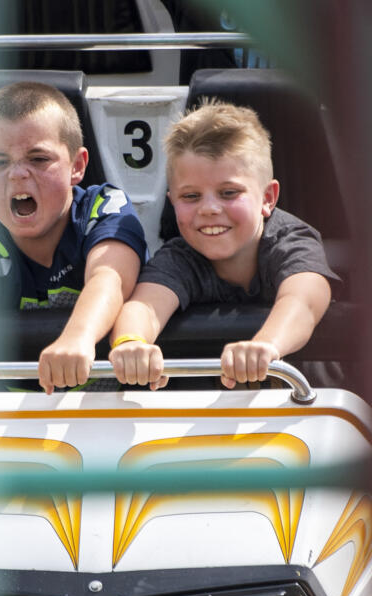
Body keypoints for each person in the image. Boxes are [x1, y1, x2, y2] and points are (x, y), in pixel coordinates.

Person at [0, 82, 146, 393]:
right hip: (21, 418)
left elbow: (108, 278)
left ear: (78, 166)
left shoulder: (104, 208)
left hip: (111, 405)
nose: (17, 173)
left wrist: (77, 337)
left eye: (39, 159)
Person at [108, 101, 339, 390]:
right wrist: (132, 343)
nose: (209, 208)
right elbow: (144, 307)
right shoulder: (180, 258)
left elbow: (303, 299)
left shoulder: (290, 239)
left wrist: (266, 345)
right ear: (172, 203)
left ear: (268, 198)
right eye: (191, 196)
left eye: (228, 193)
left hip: (309, 408)